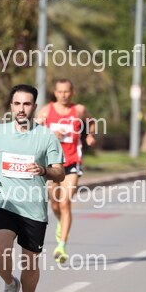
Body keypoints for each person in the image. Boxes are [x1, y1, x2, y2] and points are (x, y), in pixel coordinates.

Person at [0, 84, 64, 292]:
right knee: (0, 254)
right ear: (11, 106)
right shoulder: (0, 132)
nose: (21, 109)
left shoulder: (47, 136)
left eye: (26, 104)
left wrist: (43, 170)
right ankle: (10, 283)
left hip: (33, 209)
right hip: (4, 204)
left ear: (34, 107)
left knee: (30, 264)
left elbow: (60, 173)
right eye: (17, 103)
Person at [36, 79, 96, 263]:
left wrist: (90, 135)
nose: (63, 95)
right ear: (55, 93)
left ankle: (61, 246)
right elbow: (34, 131)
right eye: (60, 92)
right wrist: (51, 134)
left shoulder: (79, 110)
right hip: (51, 164)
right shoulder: (46, 111)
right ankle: (62, 224)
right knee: (55, 204)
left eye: (66, 91)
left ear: (72, 93)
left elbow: (92, 121)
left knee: (65, 203)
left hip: (72, 162)